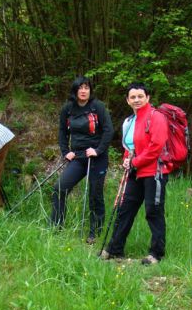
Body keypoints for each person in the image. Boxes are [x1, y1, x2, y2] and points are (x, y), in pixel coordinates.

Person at [101, 82, 168, 265]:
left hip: (153, 171)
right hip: (135, 172)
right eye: (133, 97)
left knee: (153, 211)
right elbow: (128, 146)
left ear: (147, 98)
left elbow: (156, 146)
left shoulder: (156, 117)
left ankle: (156, 253)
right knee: (125, 210)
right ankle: (115, 249)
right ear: (127, 100)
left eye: (140, 96)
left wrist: (135, 162)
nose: (137, 99)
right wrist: (126, 159)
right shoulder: (129, 121)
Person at [51, 76, 114, 243]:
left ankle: (95, 232)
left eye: (86, 88)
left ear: (90, 90)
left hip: (97, 157)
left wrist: (98, 150)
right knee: (59, 189)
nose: (84, 91)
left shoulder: (97, 107)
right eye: (81, 88)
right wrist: (66, 151)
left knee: (95, 194)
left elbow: (108, 131)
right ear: (75, 90)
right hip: (78, 157)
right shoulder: (68, 109)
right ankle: (56, 227)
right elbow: (62, 131)